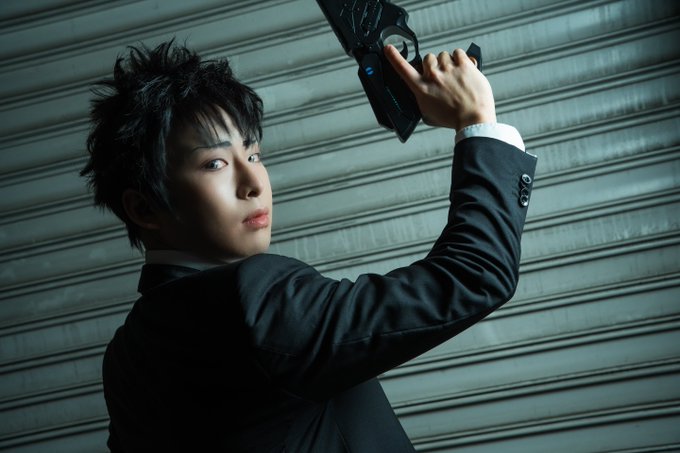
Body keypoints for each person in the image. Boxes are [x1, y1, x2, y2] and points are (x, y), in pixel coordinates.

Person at [81, 38, 537, 452]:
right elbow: (475, 275)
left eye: (253, 154)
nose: (254, 183)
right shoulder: (251, 299)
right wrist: (477, 121)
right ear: (143, 207)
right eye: (215, 163)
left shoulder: (126, 354)